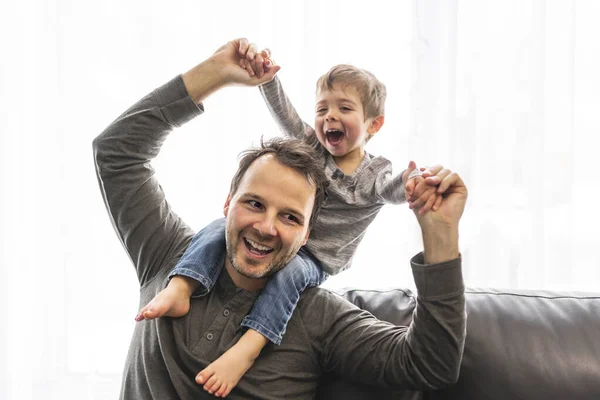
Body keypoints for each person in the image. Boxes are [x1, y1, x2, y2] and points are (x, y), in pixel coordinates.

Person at [93, 38, 467, 399]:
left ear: (307, 232)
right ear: (228, 202)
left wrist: (441, 237)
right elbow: (116, 152)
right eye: (254, 204)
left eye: (290, 216)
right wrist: (215, 73)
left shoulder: (317, 314)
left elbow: (430, 366)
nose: (267, 227)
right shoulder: (166, 254)